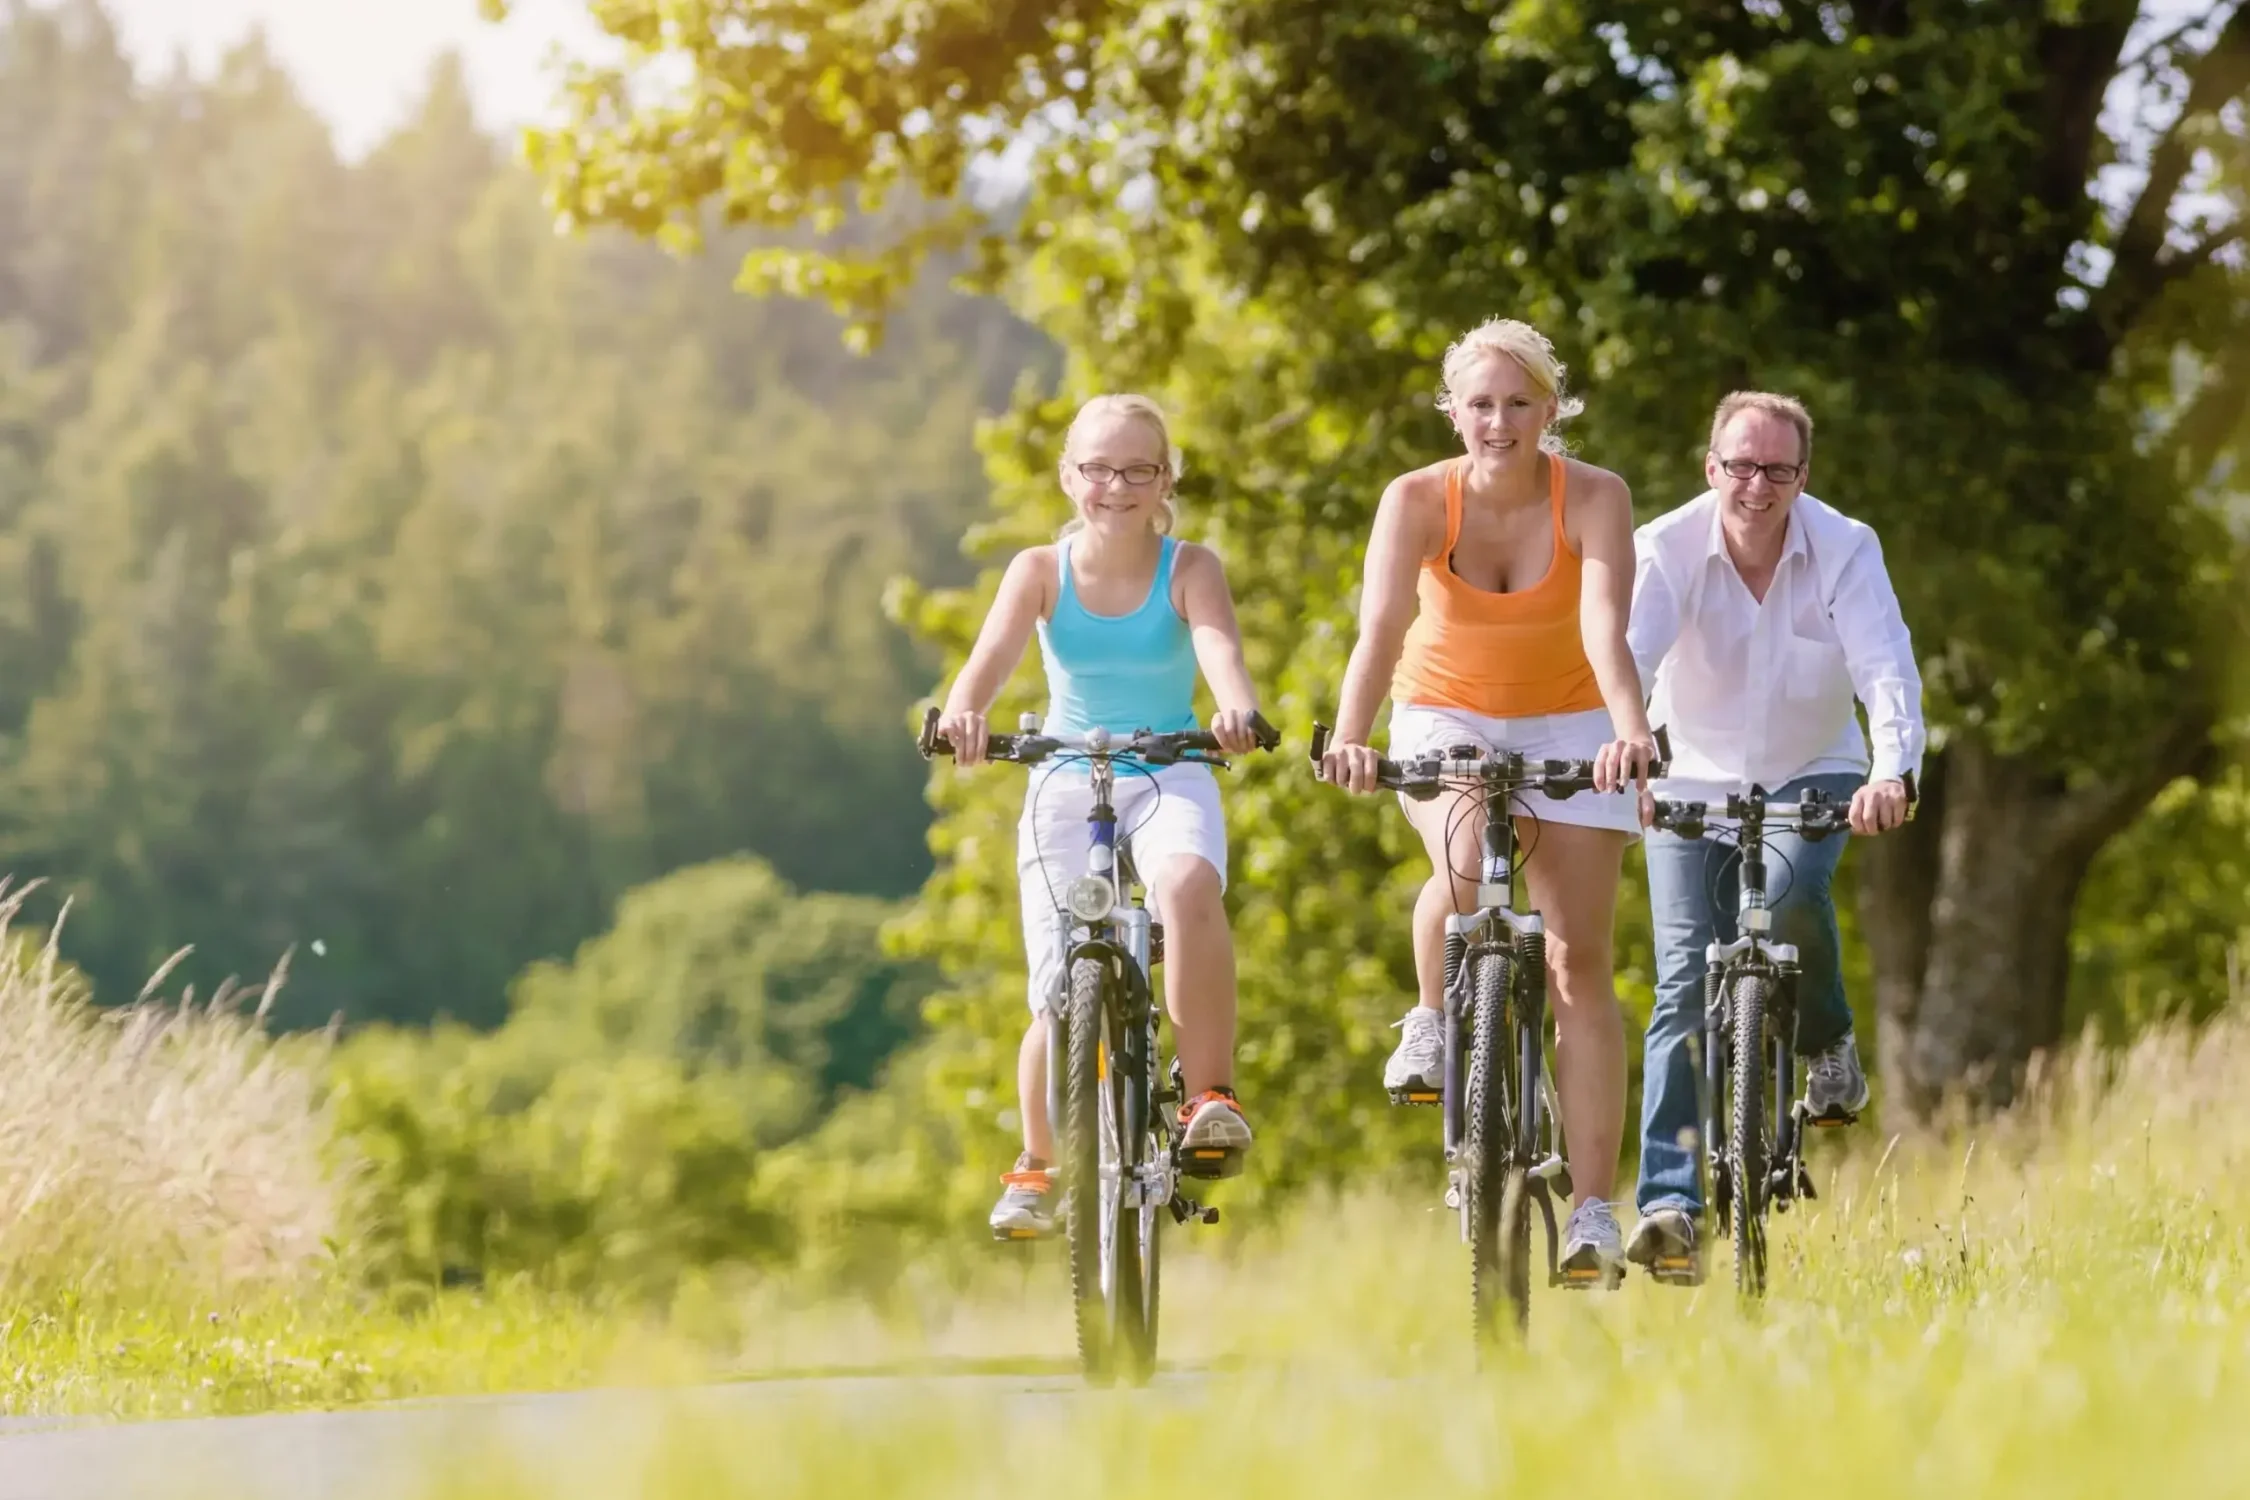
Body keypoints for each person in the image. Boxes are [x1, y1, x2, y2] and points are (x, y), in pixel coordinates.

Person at [1318, 317, 1657, 1280]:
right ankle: (1432, 1017)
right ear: (1452, 411)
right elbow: (1379, 627)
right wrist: (1350, 735)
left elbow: (1604, 627)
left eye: (1519, 404)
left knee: (1578, 958)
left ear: (1551, 409)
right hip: (1445, 707)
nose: (1499, 422)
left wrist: (1630, 731)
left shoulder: (1595, 497)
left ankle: (1593, 1210)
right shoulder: (1418, 498)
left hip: (1571, 717)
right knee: (1462, 860)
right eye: (1480, 404)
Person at [933, 394, 1266, 1239]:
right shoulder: (1039, 571)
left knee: (1188, 885)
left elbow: (1218, 647)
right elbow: (990, 660)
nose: (1116, 486)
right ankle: (1037, 1163)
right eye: (1097, 469)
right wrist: (963, 713)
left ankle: (1208, 1098)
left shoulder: (1191, 567)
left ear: (1165, 480)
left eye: (1138, 470)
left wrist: (1233, 707)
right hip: (1066, 775)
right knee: (1057, 988)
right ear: (1068, 476)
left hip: (1169, 766)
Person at [1623, 390, 1926, 1276]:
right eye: (1740, 466)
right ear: (1710, 467)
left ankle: (1827, 1039)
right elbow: (1628, 664)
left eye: (1778, 470)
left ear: (1803, 475)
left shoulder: (1845, 546)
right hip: (1689, 781)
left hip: (1816, 772)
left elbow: (1887, 670)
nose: (1757, 485)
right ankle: (1670, 1203)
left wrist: (1891, 772)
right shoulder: (1666, 547)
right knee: (1682, 982)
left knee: (1792, 893)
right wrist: (1623, 750)